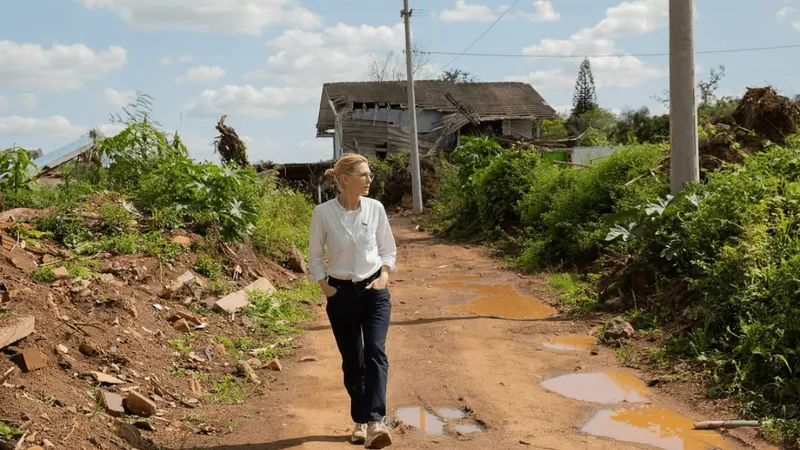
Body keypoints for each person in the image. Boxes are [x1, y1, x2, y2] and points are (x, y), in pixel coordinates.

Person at [308, 153, 397, 449]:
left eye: (370, 174)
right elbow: (315, 255)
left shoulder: (375, 209)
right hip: (341, 293)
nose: (370, 179)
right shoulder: (323, 213)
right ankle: (360, 420)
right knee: (353, 360)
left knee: (375, 351)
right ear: (345, 179)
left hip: (374, 291)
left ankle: (375, 421)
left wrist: (383, 276)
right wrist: (325, 287)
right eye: (364, 175)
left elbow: (388, 248)